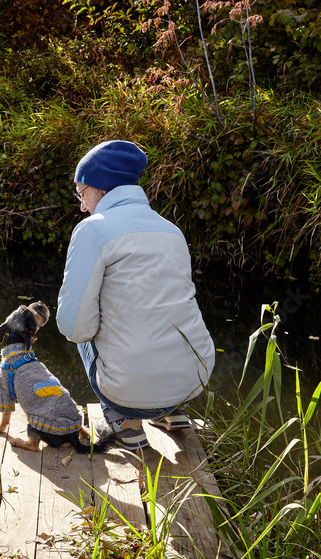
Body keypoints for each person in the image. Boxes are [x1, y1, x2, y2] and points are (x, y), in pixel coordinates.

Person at [56, 140, 215, 451]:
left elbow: (74, 327)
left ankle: (123, 421)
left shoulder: (93, 229)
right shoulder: (171, 230)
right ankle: (172, 411)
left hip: (130, 391)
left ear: (99, 188)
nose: (81, 206)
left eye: (81, 193)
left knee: (78, 322)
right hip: (193, 380)